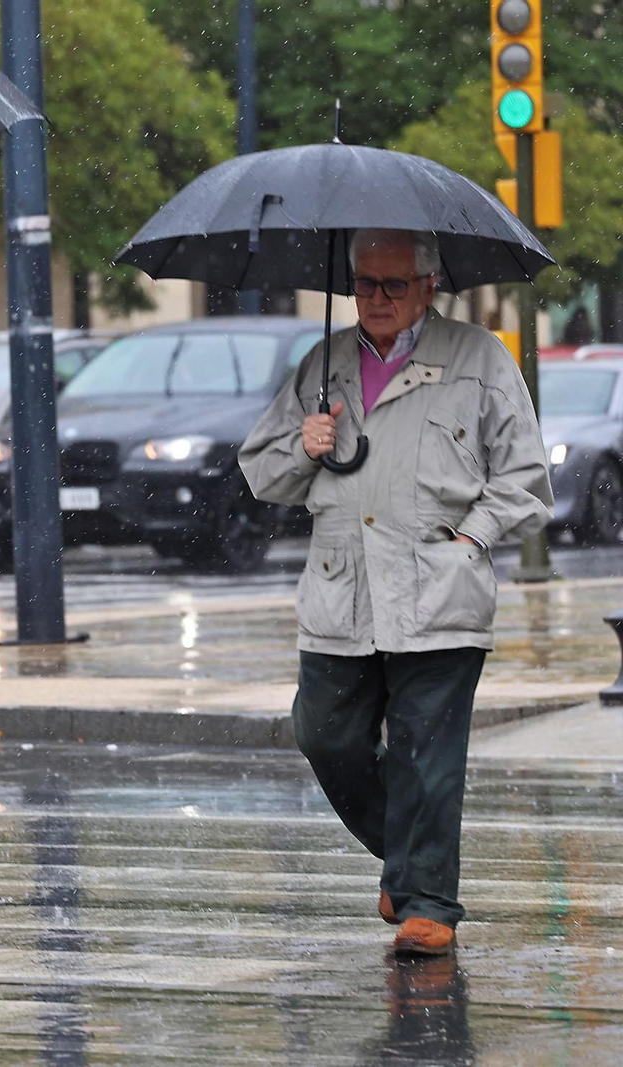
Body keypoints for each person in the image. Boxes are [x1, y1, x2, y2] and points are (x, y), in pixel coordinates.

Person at [241, 228, 552, 956]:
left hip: (440, 590)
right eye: (364, 283)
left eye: (393, 285)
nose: (375, 298)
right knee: (324, 734)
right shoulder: (323, 363)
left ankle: (428, 905)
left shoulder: (480, 358)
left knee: (425, 752)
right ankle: (409, 862)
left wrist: (471, 538)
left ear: (428, 285)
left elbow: (525, 478)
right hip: (341, 593)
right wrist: (303, 446)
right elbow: (262, 473)